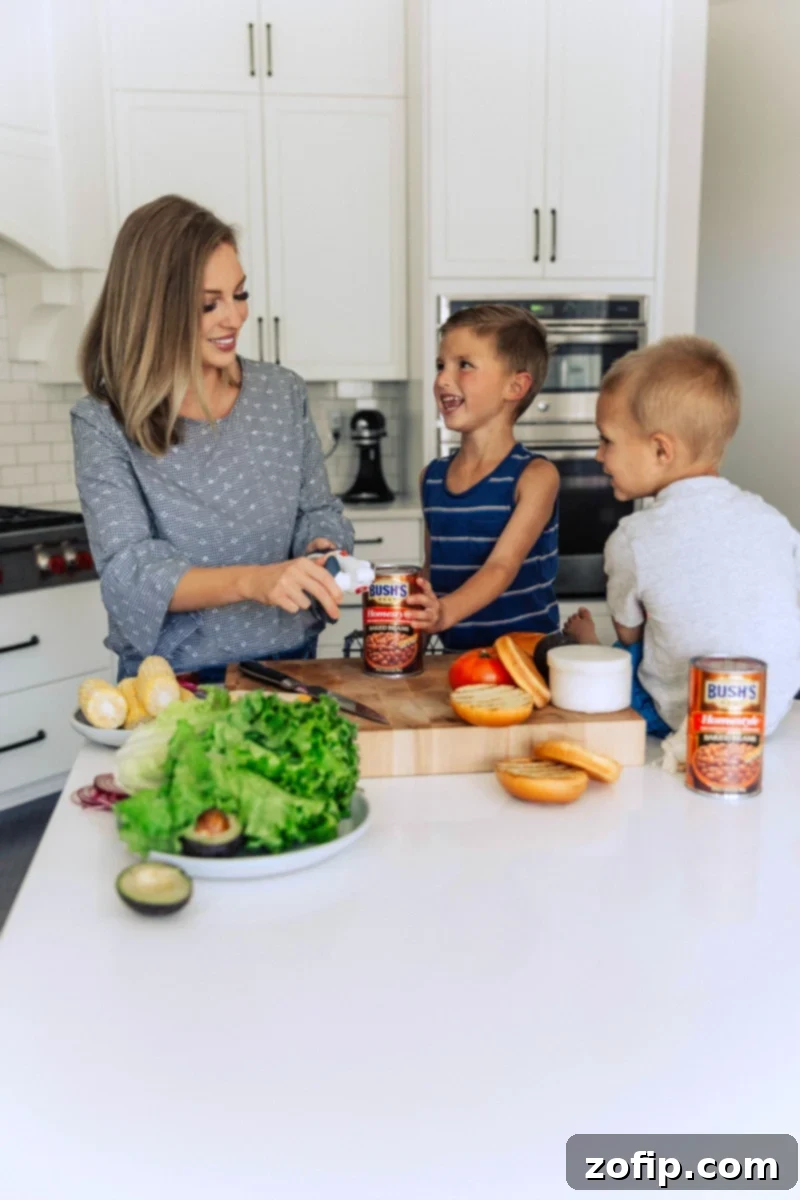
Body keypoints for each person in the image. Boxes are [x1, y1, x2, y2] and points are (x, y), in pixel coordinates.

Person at [71, 195, 353, 681]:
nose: (235, 317)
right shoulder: (103, 421)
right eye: (209, 304)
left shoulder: (281, 393)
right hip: (175, 678)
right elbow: (131, 573)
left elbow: (317, 511)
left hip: (292, 660)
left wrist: (322, 545)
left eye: (239, 294)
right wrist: (256, 580)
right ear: (153, 310)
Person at [564, 335, 800, 736]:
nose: (598, 455)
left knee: (625, 655)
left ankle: (587, 645)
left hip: (691, 719)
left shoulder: (632, 538)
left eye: (607, 440)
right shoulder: (776, 523)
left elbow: (629, 634)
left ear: (661, 450)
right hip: (770, 713)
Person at [406, 304, 560, 650]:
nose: (443, 379)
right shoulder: (431, 479)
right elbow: (433, 570)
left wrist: (443, 613)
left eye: (464, 366)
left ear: (515, 386)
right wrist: (412, 634)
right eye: (440, 366)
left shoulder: (534, 476)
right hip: (457, 659)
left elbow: (501, 568)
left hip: (526, 661)